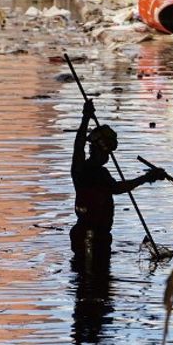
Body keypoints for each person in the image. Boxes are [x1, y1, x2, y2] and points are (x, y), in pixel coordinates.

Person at [70, 99, 165, 262]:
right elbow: (78, 147)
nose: (108, 157)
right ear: (99, 150)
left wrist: (147, 177)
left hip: (102, 236)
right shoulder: (82, 171)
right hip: (88, 237)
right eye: (107, 153)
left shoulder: (102, 173)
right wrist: (85, 117)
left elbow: (117, 188)